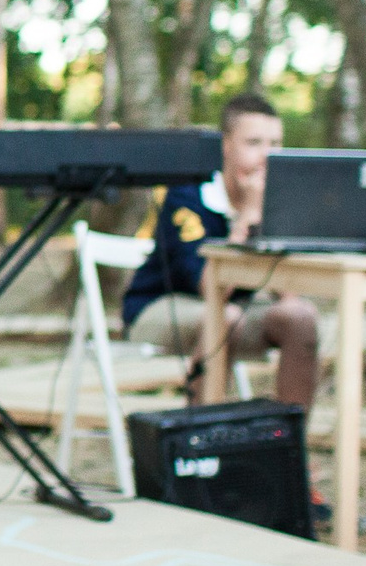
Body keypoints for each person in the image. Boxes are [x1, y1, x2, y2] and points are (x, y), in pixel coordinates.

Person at [119, 91, 321, 405]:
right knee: (224, 317)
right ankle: (200, 440)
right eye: (254, 143)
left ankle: (289, 444)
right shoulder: (188, 194)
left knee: (301, 318)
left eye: (275, 144)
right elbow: (210, 287)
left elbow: (288, 295)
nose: (266, 156)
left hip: (234, 314)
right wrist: (248, 219)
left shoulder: (279, 200)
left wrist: (271, 221)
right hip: (162, 306)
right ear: (226, 146)